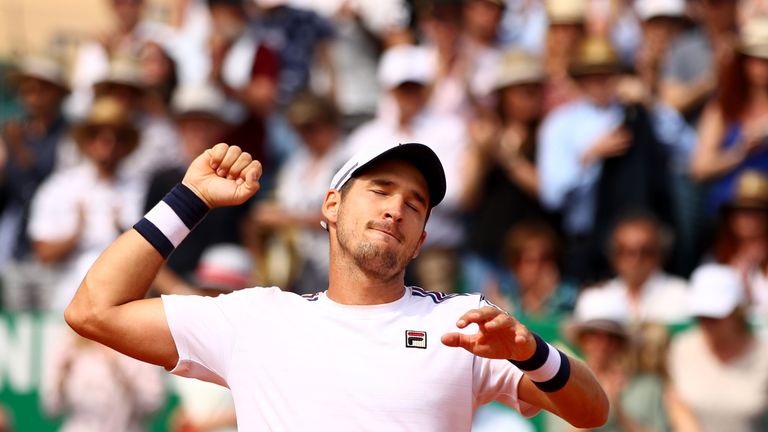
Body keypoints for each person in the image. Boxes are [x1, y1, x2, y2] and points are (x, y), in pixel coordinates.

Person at [65, 142, 608, 430]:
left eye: (415, 204)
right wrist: (190, 200)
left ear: (420, 240)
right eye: (380, 189)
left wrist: (533, 351)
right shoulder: (257, 318)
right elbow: (93, 310)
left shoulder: (461, 321)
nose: (396, 207)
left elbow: (592, 412)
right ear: (331, 205)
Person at [0, 54, 71, 310]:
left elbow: (52, 186)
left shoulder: (71, 135)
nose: (32, 94)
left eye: (41, 87)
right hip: (18, 250)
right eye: (28, 88)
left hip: (54, 251)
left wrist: (17, 149)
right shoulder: (18, 132)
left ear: (57, 93)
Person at [668, 263, 768, 432]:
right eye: (701, 315)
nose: (707, 322)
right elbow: (677, 406)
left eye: (715, 316)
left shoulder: (764, 354)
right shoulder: (682, 347)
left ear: (737, 312)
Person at [579, 212, 689, 326]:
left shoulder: (681, 295)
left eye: (646, 252)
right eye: (628, 252)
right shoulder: (596, 297)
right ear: (613, 257)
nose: (636, 261)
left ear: (660, 254)